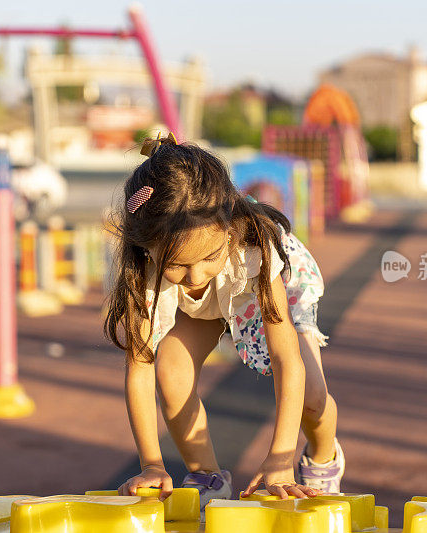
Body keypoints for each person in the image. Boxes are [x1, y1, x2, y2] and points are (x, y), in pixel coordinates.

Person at [105, 134, 344, 510]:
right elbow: (139, 368)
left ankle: (324, 456)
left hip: (268, 284)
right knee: (170, 369)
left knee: (311, 399)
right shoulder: (142, 269)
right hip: (208, 302)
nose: (196, 275)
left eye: (206, 257)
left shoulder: (256, 250)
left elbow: (286, 359)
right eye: (179, 265)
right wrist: (151, 463)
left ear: (229, 228)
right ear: (146, 246)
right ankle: (207, 475)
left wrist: (281, 455)